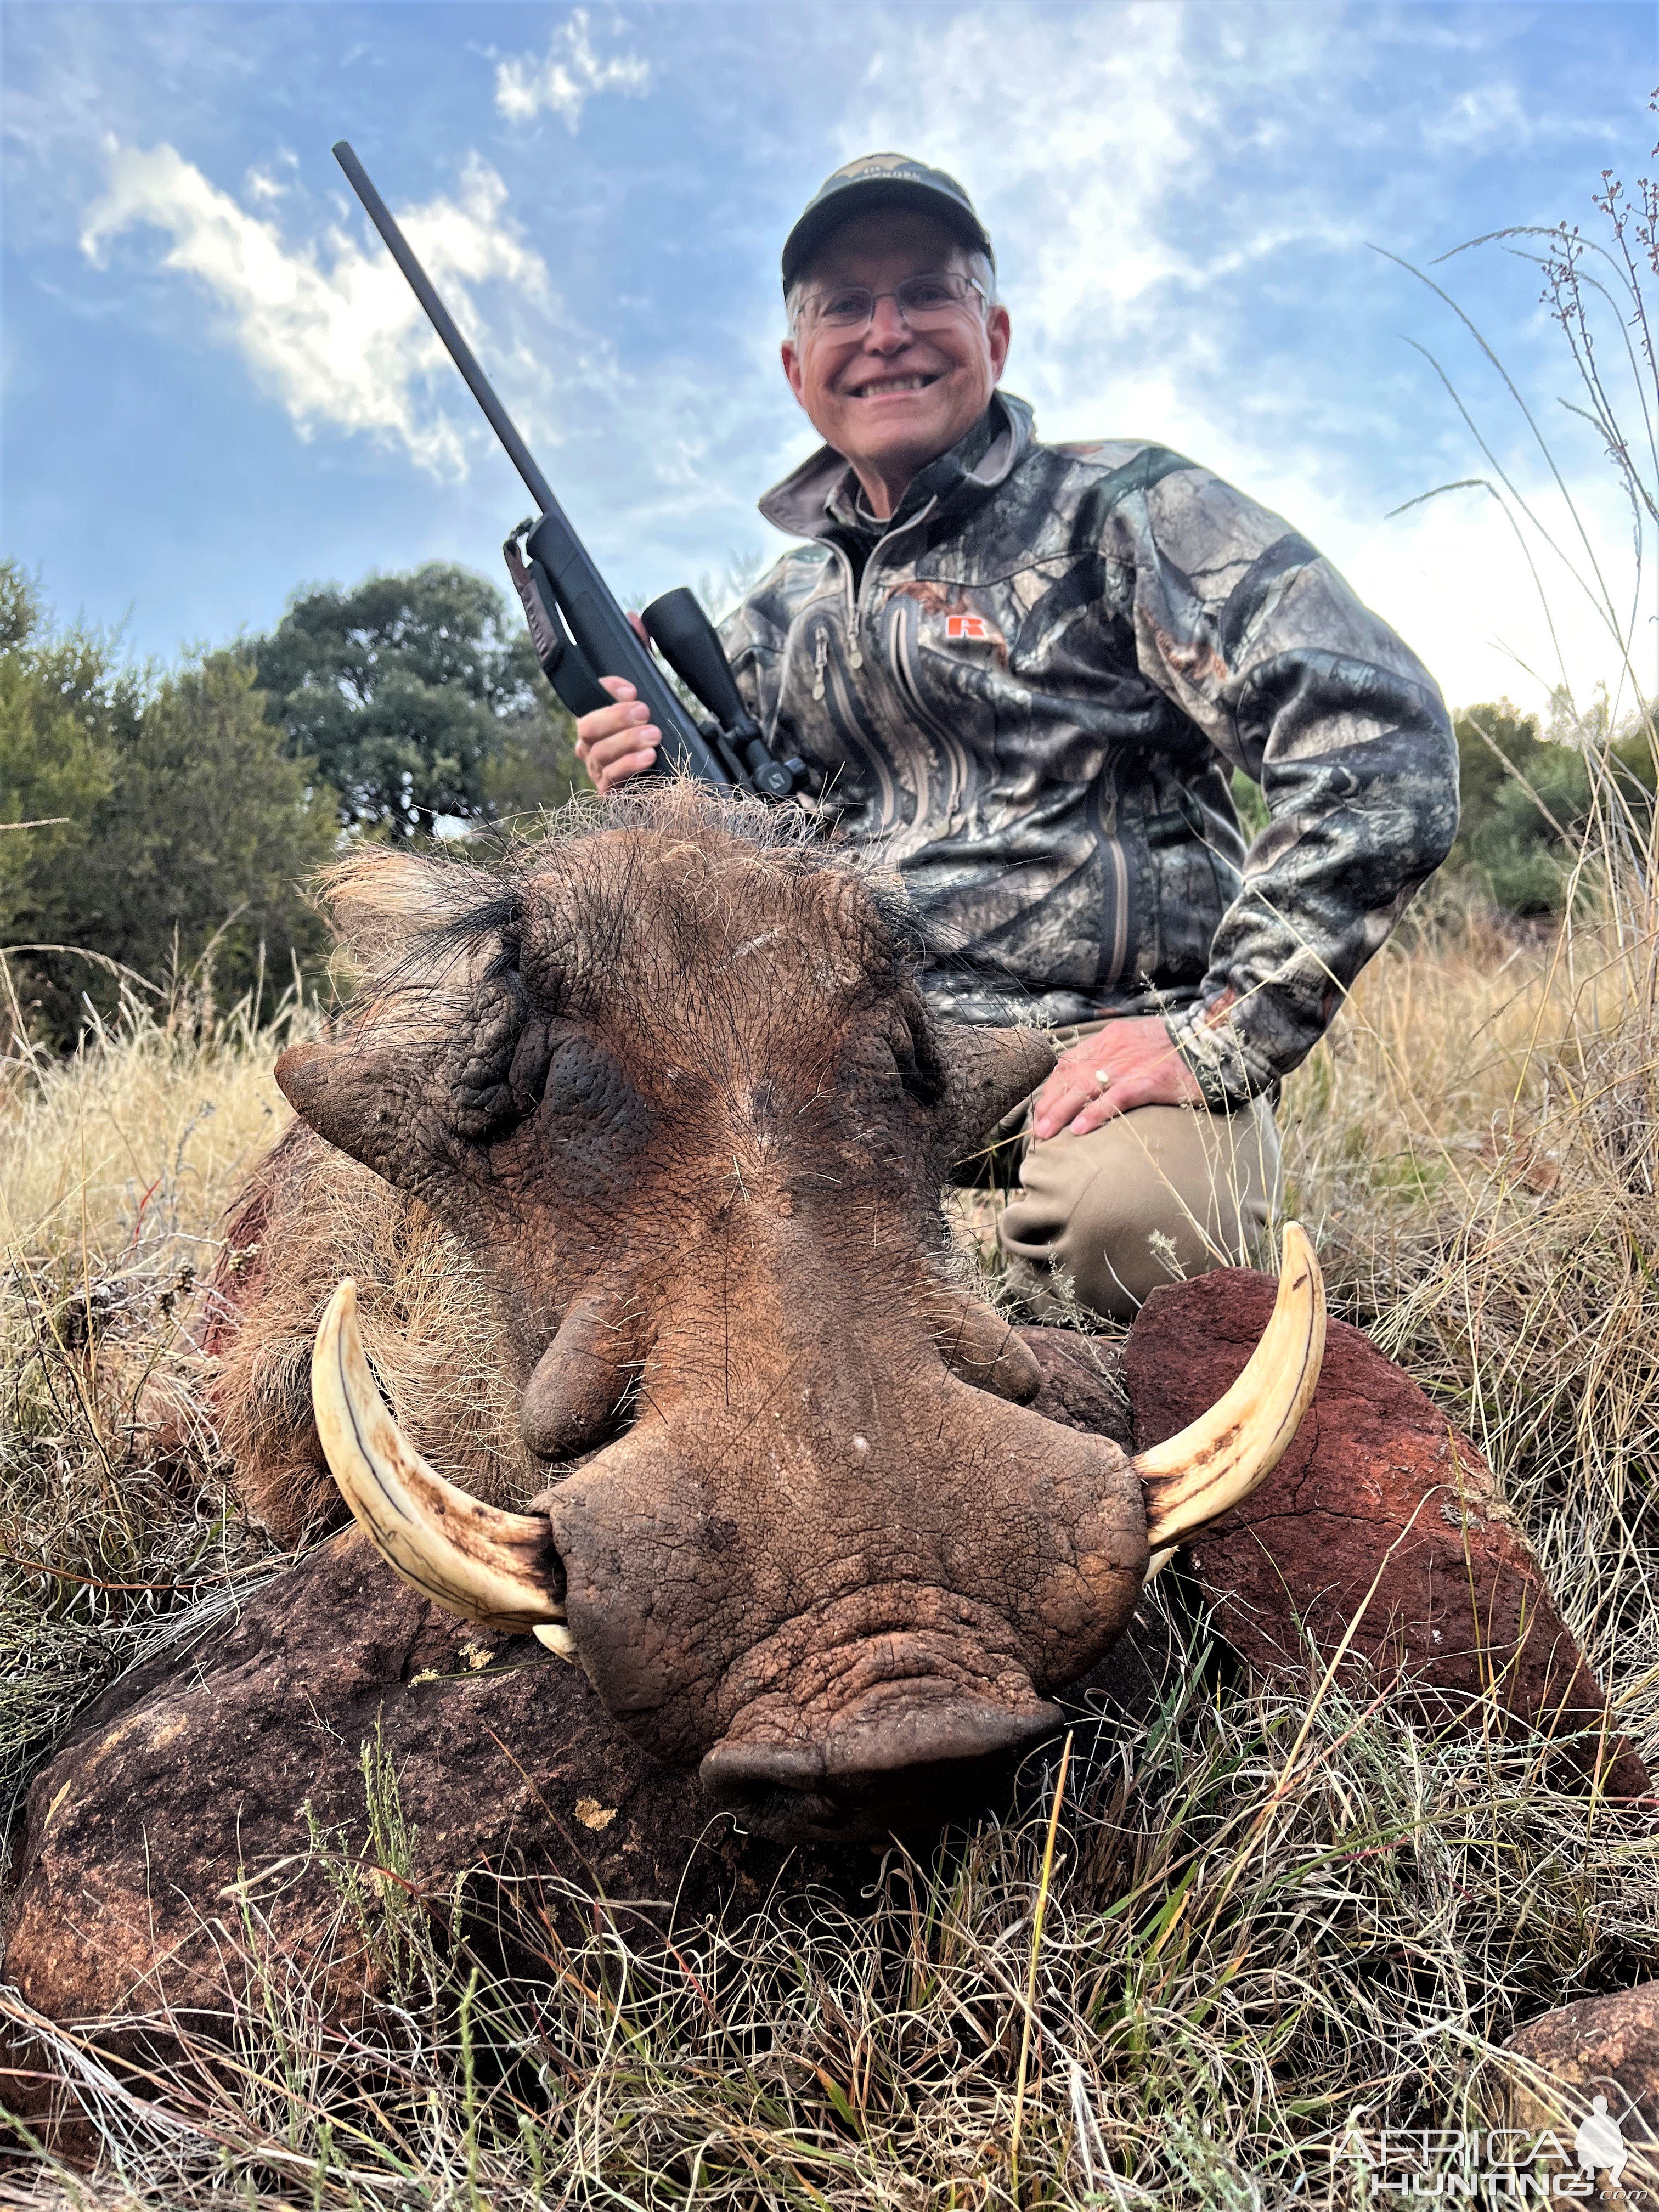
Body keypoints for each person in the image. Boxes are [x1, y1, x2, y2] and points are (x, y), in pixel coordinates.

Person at [575, 153, 1459, 1321]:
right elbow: (727, 890)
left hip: (1108, 1058)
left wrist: (1220, 1031)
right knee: (612, 1216)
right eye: (845, 305)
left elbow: (1382, 740)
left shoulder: (1127, 509)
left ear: (993, 331)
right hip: (852, 1075)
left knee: (1134, 1241)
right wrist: (647, 798)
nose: (887, 332)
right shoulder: (771, 621)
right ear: (797, 369)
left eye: (927, 295)